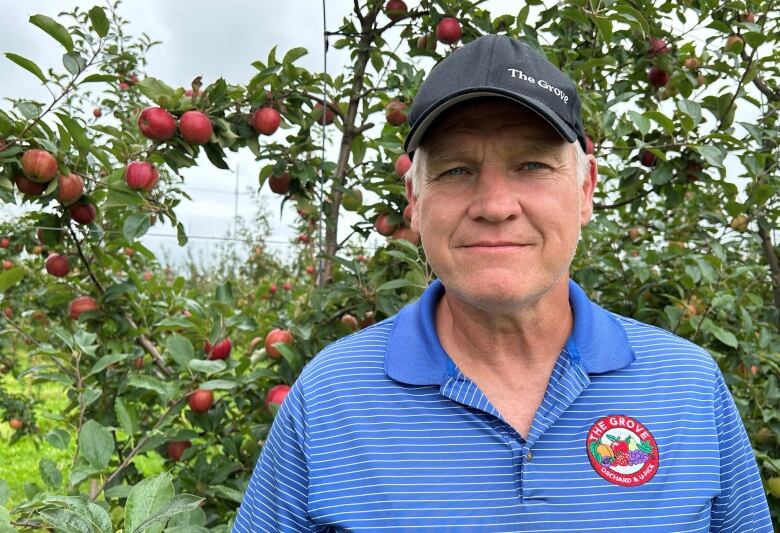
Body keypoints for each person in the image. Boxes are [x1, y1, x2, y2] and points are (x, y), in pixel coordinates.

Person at [233, 34, 772, 532]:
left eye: (532, 166)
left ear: (585, 189)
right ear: (415, 202)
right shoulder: (331, 396)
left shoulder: (688, 388)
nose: (494, 206)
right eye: (455, 170)